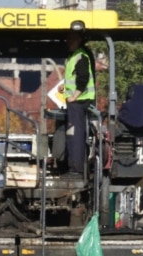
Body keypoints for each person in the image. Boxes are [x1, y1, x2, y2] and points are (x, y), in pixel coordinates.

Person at [63, 31, 97, 178]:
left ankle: (76, 169)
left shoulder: (81, 56)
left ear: (79, 40)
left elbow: (83, 79)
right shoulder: (74, 56)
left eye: (71, 39)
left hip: (80, 101)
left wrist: (74, 97)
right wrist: (63, 88)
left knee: (75, 135)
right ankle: (74, 166)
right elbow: (74, 78)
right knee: (72, 134)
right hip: (77, 101)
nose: (68, 42)